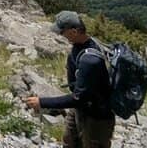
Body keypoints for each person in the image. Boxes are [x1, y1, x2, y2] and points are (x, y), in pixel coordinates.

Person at [25, 11, 115, 148]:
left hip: (96, 118)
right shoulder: (81, 46)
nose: (61, 35)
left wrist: (42, 102)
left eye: (62, 32)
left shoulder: (90, 60)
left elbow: (78, 98)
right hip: (80, 110)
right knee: (69, 141)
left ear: (74, 31)